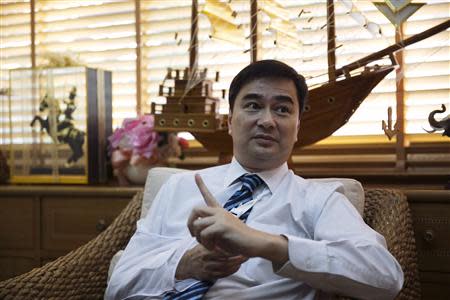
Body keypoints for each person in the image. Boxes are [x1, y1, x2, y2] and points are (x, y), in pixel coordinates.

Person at [105, 60, 404, 300]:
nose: (267, 120)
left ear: (297, 127)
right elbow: (118, 285)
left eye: (283, 109)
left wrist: (265, 244)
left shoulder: (319, 199)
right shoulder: (179, 187)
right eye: (252, 105)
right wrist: (184, 264)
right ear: (230, 121)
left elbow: (386, 278)